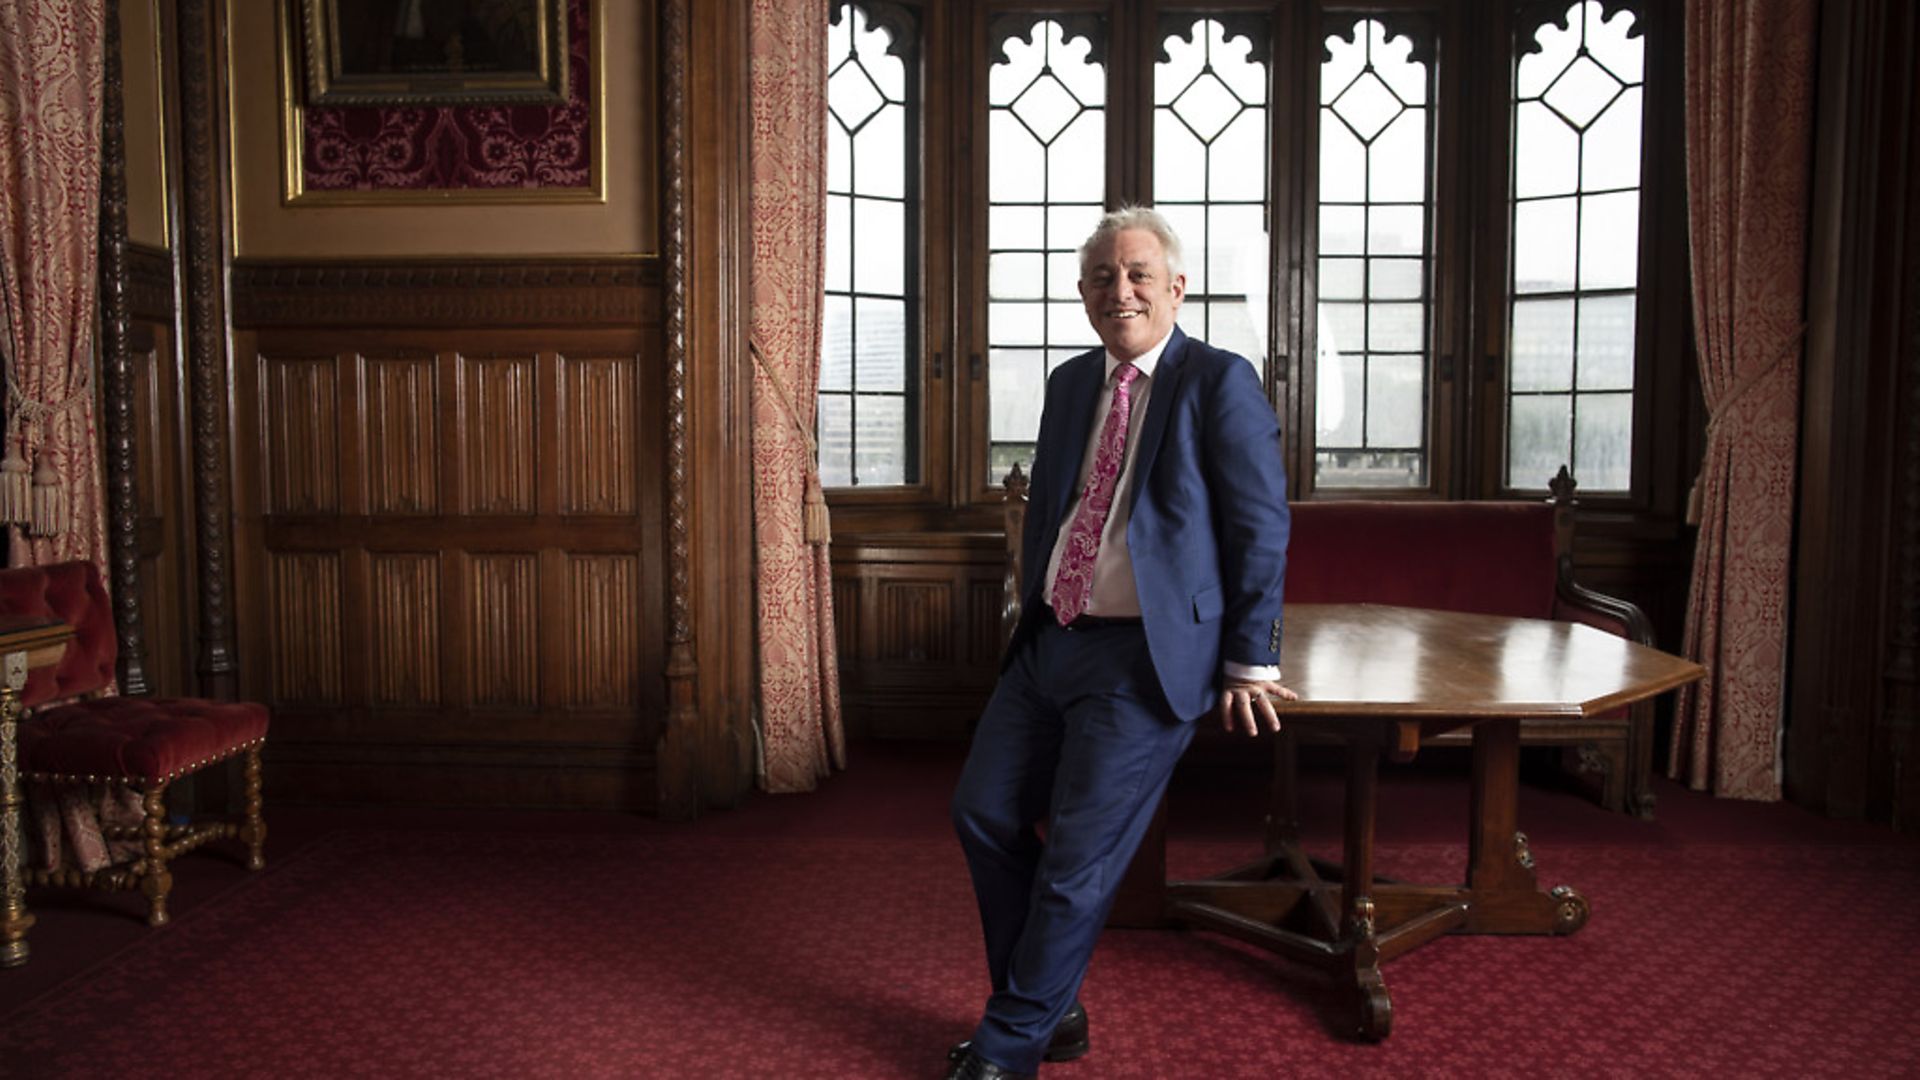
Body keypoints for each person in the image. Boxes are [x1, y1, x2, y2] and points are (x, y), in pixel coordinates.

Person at [946, 206, 1296, 1080]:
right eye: (1103, 277)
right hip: (1051, 640)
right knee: (982, 812)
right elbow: (1058, 515)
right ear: (1082, 294)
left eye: (1139, 274)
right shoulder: (1071, 385)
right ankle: (1053, 1007)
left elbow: (1261, 524)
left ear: (1177, 288)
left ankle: (1011, 1042)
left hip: (1145, 659)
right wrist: (1033, 606)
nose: (1121, 290)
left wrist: (1251, 655)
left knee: (1077, 857)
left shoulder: (1219, 381)